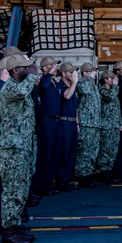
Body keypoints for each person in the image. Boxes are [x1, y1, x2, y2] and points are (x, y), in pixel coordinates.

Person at [0, 54, 39, 243]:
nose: (31, 70)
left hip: (23, 146)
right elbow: (23, 91)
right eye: (26, 68)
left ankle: (15, 225)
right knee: (13, 190)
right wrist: (32, 76)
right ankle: (9, 230)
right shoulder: (11, 89)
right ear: (16, 70)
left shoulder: (20, 87)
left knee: (21, 188)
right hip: (13, 149)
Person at [33, 56, 60, 197]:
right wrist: (48, 74)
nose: (55, 68)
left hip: (54, 121)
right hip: (46, 122)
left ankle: (48, 183)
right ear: (45, 68)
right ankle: (41, 185)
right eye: (52, 65)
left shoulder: (54, 82)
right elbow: (43, 86)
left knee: (53, 155)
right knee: (46, 154)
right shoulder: (44, 81)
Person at [75, 61, 103, 187]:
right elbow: (83, 91)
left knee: (93, 150)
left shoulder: (93, 85)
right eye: (92, 71)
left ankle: (89, 173)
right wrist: (89, 78)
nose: (95, 73)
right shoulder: (82, 83)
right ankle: (82, 174)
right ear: (85, 73)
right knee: (85, 151)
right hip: (86, 123)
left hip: (95, 123)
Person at [55, 62, 80, 192]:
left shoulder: (72, 87)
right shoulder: (60, 86)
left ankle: (67, 179)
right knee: (63, 153)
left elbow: (75, 107)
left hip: (71, 123)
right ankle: (61, 181)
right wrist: (74, 82)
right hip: (63, 123)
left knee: (71, 153)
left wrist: (77, 123)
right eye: (71, 72)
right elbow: (66, 96)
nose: (73, 74)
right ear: (64, 73)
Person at [97, 69, 122, 183]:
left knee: (113, 149)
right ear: (106, 79)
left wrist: (120, 123)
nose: (113, 80)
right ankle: (104, 172)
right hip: (106, 125)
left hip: (114, 124)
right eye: (111, 78)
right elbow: (110, 97)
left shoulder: (113, 90)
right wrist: (116, 86)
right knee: (106, 149)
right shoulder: (103, 90)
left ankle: (110, 170)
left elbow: (117, 108)